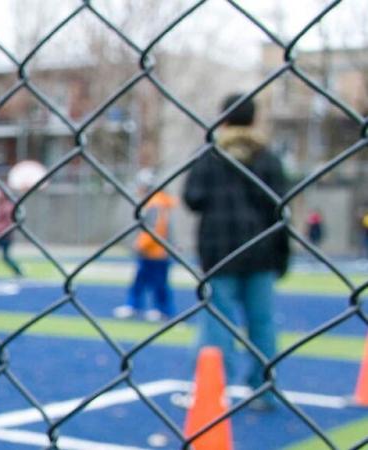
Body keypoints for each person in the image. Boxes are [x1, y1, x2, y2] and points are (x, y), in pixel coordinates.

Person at [183, 93, 289, 410]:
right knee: (262, 323)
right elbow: (280, 209)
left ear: (223, 118)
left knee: (217, 323)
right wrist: (282, 255)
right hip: (262, 252)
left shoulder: (210, 155)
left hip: (219, 252)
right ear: (254, 119)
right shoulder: (267, 157)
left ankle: (213, 391)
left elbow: (192, 198)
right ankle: (264, 388)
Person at [113, 169, 177, 321]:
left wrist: (141, 244)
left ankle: (159, 309)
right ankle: (142, 307)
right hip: (157, 250)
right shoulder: (160, 202)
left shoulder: (154, 203)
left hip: (154, 251)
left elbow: (154, 229)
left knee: (154, 282)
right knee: (146, 281)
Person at [0, 188, 22, 277]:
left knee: (5, 257)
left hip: (4, 235)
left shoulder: (7, 206)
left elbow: (9, 222)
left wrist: (1, 230)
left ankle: (18, 271)